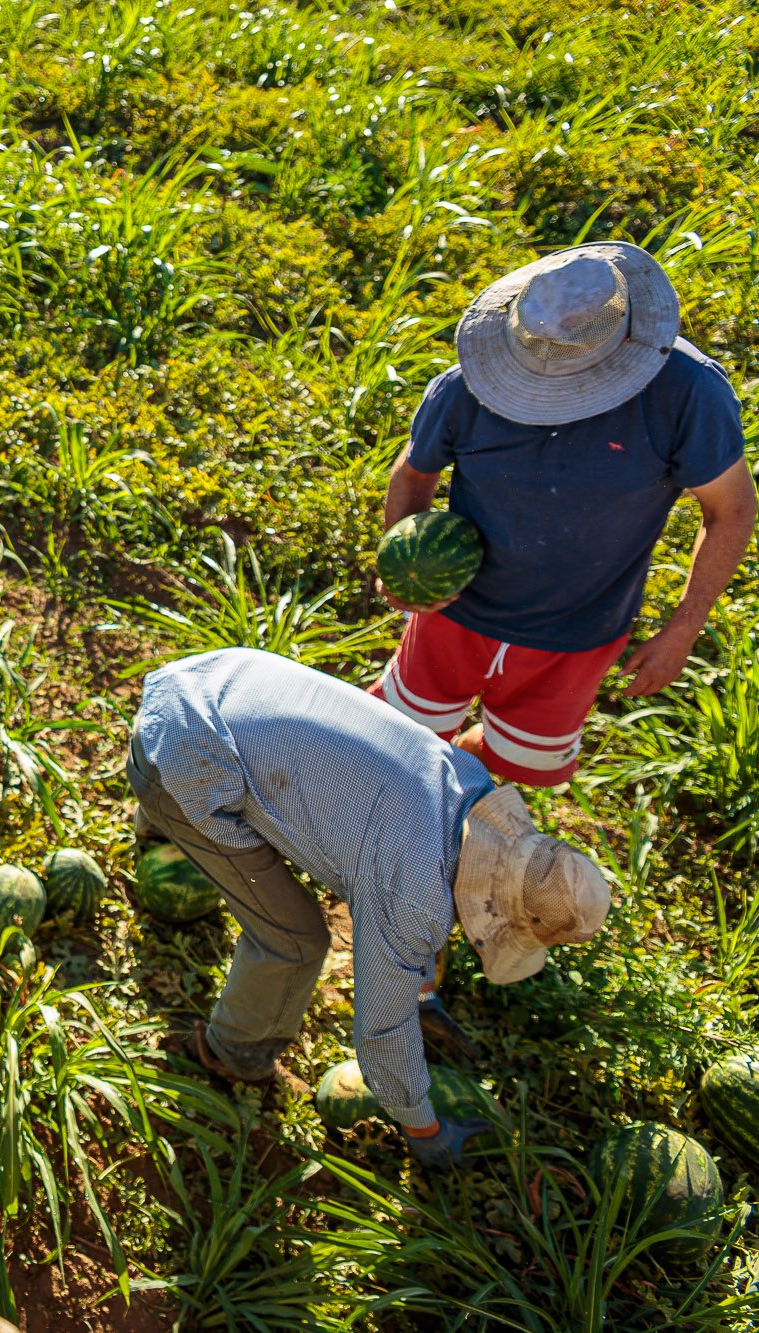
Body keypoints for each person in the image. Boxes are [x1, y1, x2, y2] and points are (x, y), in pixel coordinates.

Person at [128, 647, 611, 1169]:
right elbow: (380, 1034)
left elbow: (416, 893)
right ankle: (231, 1055)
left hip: (215, 677)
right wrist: (425, 1130)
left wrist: (420, 993)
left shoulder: (468, 785)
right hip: (186, 753)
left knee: (278, 807)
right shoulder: (414, 892)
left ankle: (157, 825)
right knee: (295, 942)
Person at [374, 241, 755, 787]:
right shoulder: (466, 386)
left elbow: (732, 509)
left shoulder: (687, 393)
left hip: (578, 631)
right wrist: (402, 565)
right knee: (397, 737)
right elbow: (414, 472)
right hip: (453, 615)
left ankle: (455, 779)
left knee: (522, 764)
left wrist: (682, 630)